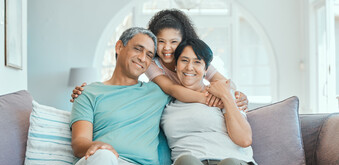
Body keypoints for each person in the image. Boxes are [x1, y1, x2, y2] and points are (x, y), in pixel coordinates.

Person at [65, 27, 170, 165]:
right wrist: (98, 146)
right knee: (104, 157)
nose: (142, 58)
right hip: (93, 164)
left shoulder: (158, 92)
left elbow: (194, 81)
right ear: (119, 46)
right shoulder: (89, 93)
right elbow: (79, 143)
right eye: (137, 49)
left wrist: (232, 94)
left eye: (149, 55)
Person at [160, 38, 264, 165]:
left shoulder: (222, 95)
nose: (190, 67)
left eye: (197, 62)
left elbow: (244, 139)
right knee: (186, 161)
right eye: (184, 60)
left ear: (206, 68)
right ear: (175, 64)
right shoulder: (166, 99)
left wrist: (226, 96)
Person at [71, 9, 249, 110]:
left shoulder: (192, 59)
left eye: (173, 42)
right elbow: (171, 88)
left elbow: (224, 82)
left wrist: (234, 95)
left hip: (198, 106)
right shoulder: (153, 64)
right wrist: (210, 99)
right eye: (161, 42)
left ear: (183, 41)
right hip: (174, 108)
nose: (167, 48)